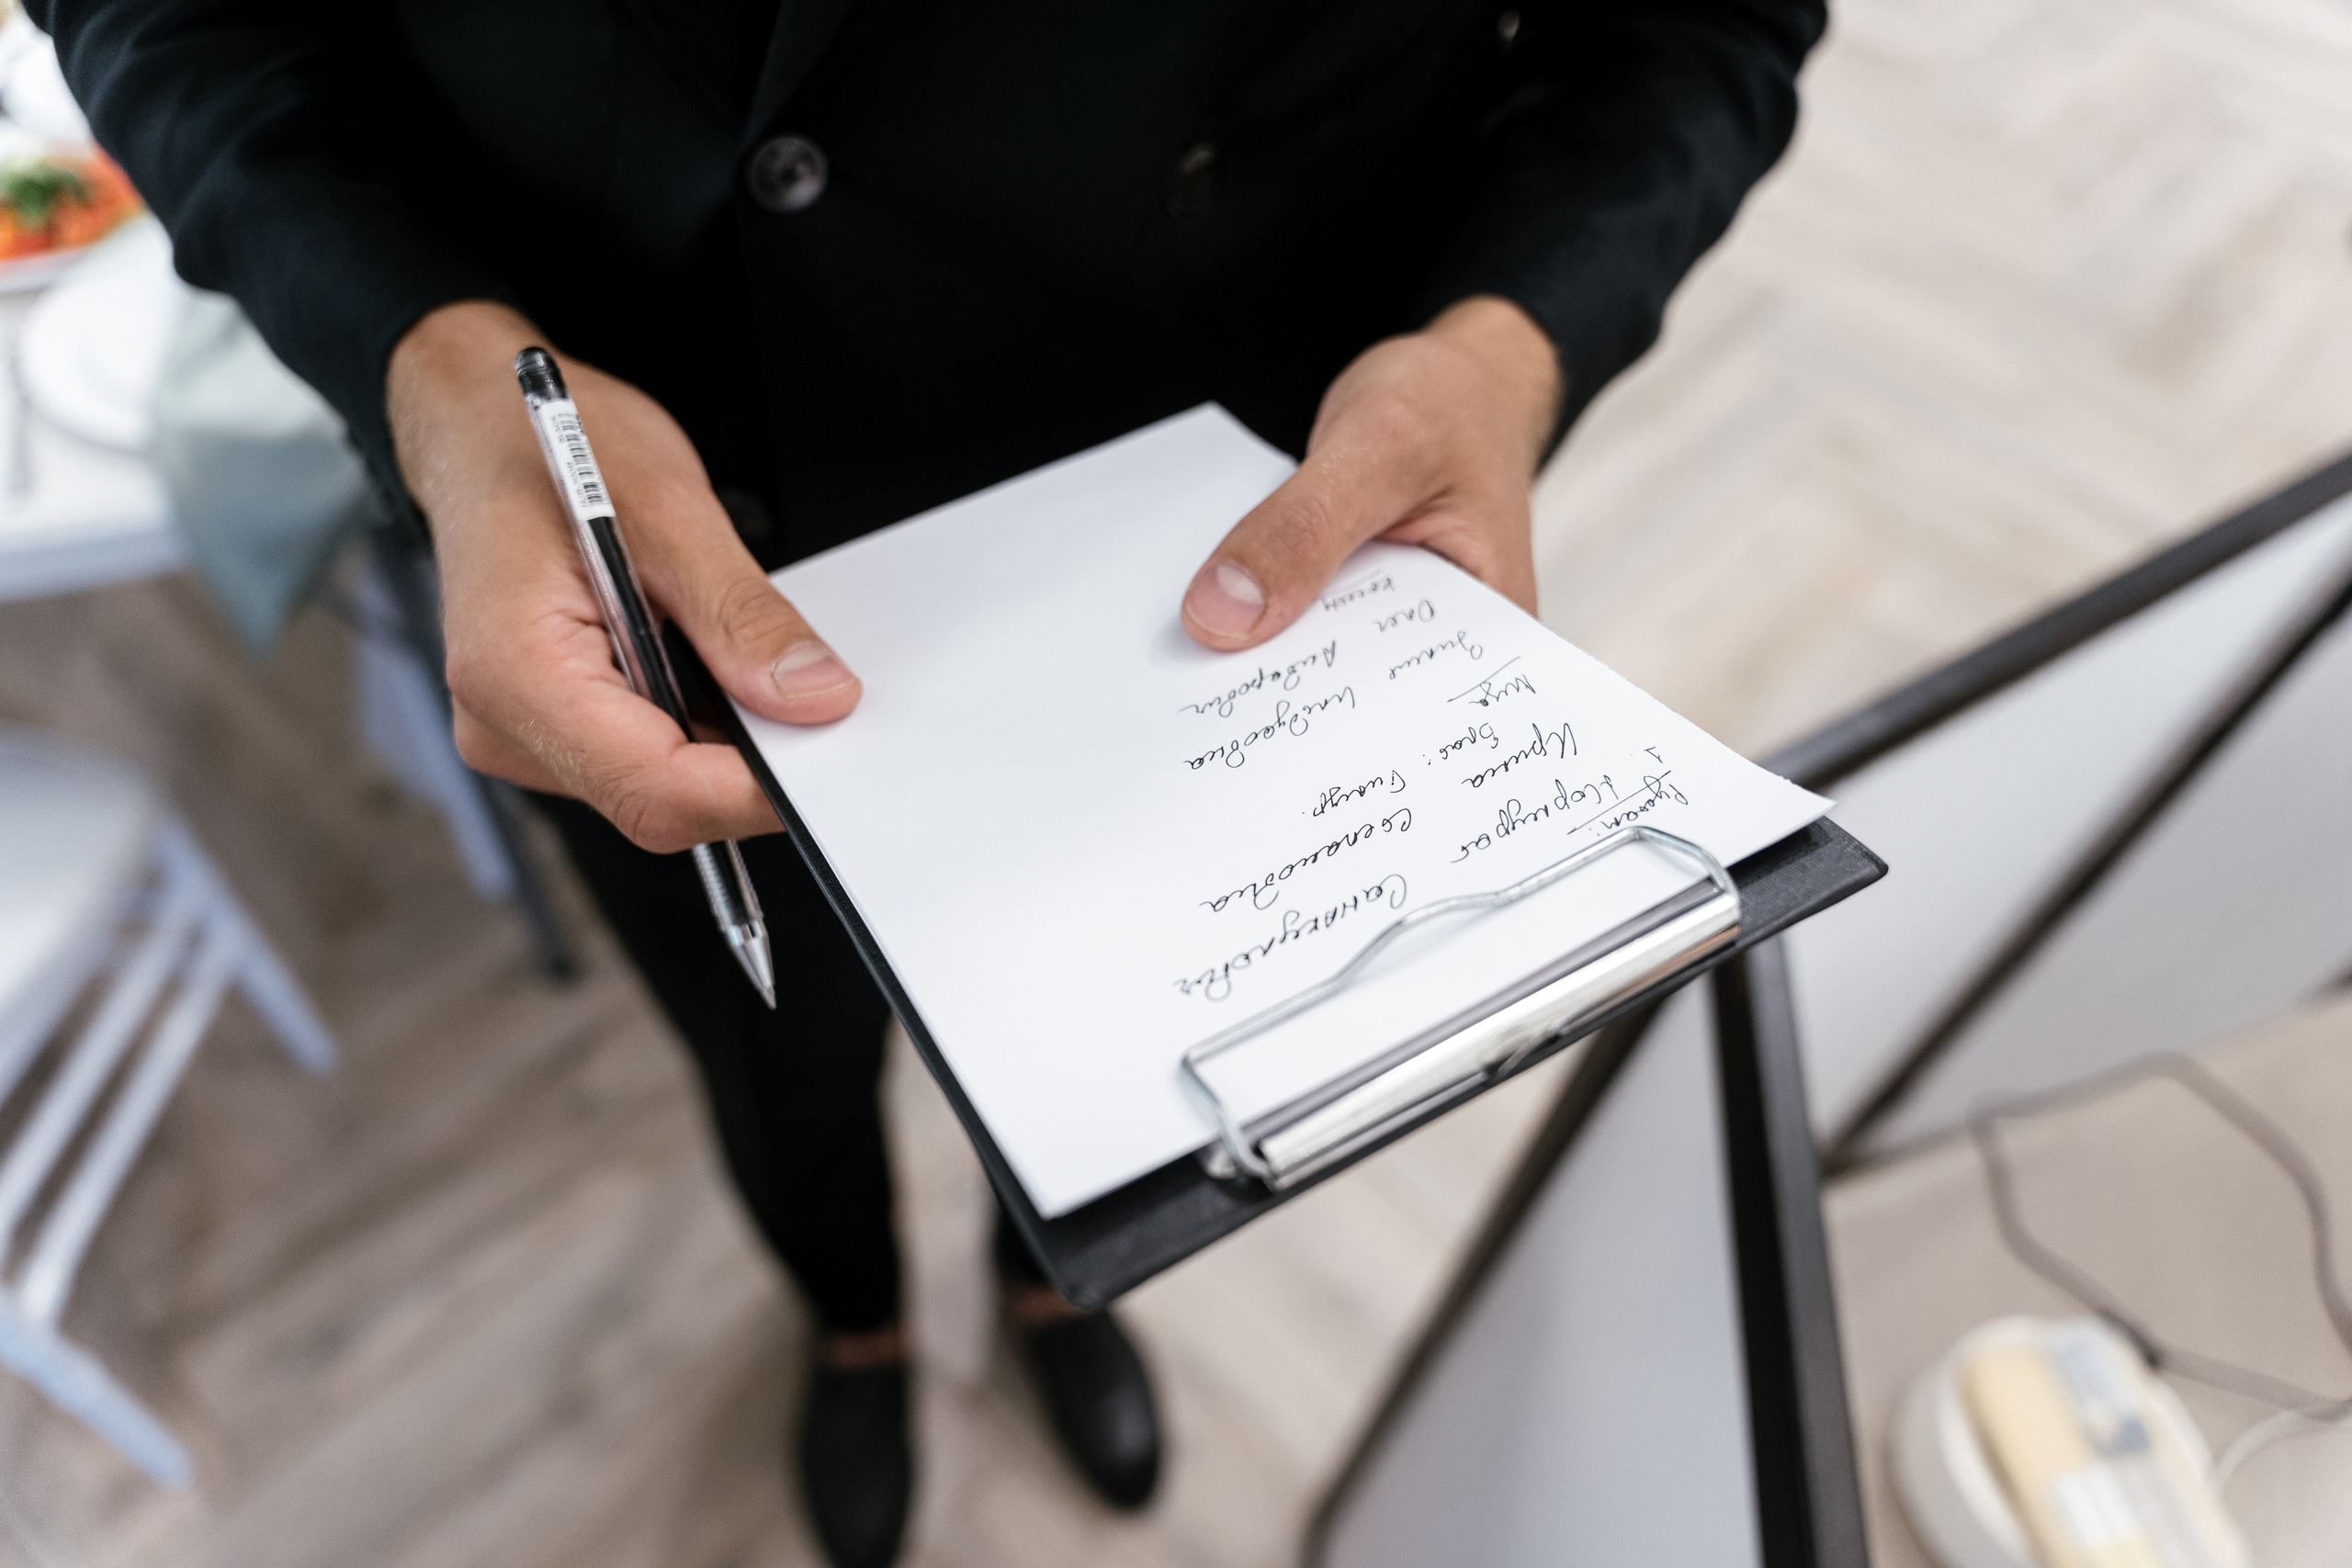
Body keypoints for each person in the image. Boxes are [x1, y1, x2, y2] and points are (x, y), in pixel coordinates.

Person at [39, 2, 1823, 1562]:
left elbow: (1690, 24)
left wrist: (1504, 346)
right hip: (645, 544)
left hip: (1217, 563)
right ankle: (851, 1324)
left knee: (1127, 1066)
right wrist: (421, 359)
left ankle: (1048, 1283)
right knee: (770, 1050)